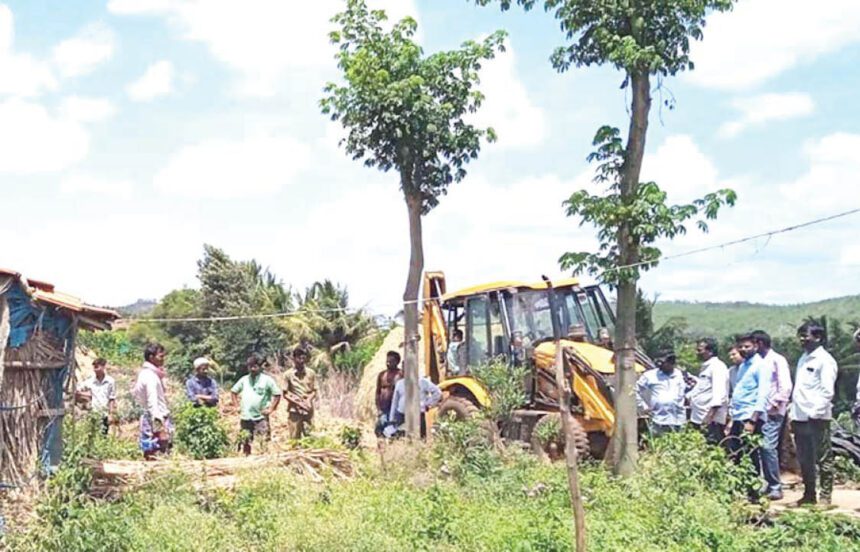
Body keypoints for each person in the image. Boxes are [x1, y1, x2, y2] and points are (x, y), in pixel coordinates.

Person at [789, 321, 838, 507]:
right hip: (799, 415)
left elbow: (827, 391)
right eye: (800, 335)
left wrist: (816, 412)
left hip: (817, 416)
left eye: (806, 335)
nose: (802, 339)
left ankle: (825, 497)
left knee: (823, 457)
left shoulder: (825, 361)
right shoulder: (803, 358)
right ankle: (809, 494)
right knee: (804, 458)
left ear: (818, 337)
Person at [752, 330, 793, 500]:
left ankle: (776, 486)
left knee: (768, 447)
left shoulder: (777, 360)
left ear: (760, 343)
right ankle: (766, 484)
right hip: (759, 412)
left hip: (772, 411)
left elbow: (786, 386)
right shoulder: (757, 362)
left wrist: (775, 404)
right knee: (759, 448)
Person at [727, 334, 769, 497]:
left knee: (750, 455)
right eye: (741, 347)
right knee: (737, 454)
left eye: (747, 346)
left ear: (756, 346)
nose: (743, 350)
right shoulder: (743, 366)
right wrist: (732, 419)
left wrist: (753, 420)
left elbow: (762, 394)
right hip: (738, 415)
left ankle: (754, 492)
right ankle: (742, 490)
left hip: (750, 417)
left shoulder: (761, 366)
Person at [231, 354, 282, 455]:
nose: (252, 369)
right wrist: (237, 406)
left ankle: (264, 459)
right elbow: (233, 392)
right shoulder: (244, 380)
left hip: (261, 417)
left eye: (255, 366)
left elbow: (277, 394)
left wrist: (271, 409)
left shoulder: (267, 380)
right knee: (246, 440)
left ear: (260, 367)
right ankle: (246, 459)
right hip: (246, 416)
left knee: (263, 440)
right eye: (250, 366)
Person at [132, 343, 172, 459]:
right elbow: (152, 403)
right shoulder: (150, 376)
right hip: (155, 418)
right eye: (161, 356)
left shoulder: (146, 374)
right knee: (156, 452)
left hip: (151, 417)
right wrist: (160, 429)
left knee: (153, 452)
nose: (163, 359)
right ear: (151, 357)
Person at [687, 339, 730, 445]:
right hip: (699, 416)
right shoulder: (706, 367)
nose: (697, 353)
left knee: (712, 446)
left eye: (699, 350)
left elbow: (719, 393)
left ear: (710, 351)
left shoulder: (717, 367)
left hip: (709, 418)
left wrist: (710, 416)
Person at [635, 350, 687, 437]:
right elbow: (634, 390)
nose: (660, 364)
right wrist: (643, 406)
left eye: (663, 362)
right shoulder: (650, 375)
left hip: (678, 420)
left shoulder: (679, 375)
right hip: (658, 420)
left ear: (671, 362)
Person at [388, 373, 442, 438]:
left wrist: (427, 404)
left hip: (418, 415)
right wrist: (391, 419)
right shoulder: (399, 383)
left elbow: (437, 392)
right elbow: (395, 402)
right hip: (402, 416)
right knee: (400, 438)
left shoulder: (423, 382)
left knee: (420, 439)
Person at [77, 358, 117, 435]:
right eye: (94, 367)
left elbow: (111, 399)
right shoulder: (91, 381)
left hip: (104, 413)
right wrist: (86, 395)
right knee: (92, 435)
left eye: (97, 367)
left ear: (103, 367)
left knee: (103, 435)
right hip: (94, 413)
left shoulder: (110, 381)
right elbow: (78, 390)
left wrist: (111, 414)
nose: (95, 370)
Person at [284, 347, 317, 440]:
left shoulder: (311, 373)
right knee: (294, 438)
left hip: (308, 409)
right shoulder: (288, 374)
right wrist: (298, 403)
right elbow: (285, 393)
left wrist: (308, 401)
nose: (301, 361)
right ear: (294, 359)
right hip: (294, 410)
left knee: (310, 436)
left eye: (303, 358)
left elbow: (314, 390)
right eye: (299, 358)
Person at [375, 351, 402, 437]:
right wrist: (378, 408)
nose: (388, 363)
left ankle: (392, 447)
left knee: (393, 428)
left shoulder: (401, 374)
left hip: (395, 408)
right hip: (384, 408)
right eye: (387, 361)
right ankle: (381, 447)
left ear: (397, 362)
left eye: (391, 361)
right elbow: (378, 392)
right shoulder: (382, 375)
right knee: (380, 427)